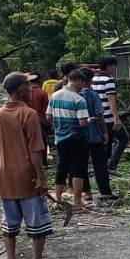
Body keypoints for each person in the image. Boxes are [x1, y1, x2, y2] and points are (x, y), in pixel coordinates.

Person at [0, 72, 54, 259]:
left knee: (9, 224)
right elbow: (36, 150)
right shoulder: (29, 114)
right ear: (20, 90)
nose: (31, 89)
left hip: (5, 176)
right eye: (28, 85)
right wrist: (41, 177)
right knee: (37, 223)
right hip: (28, 176)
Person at [47, 70, 90, 207]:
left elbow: (48, 117)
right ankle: (77, 201)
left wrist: (58, 125)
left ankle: (58, 200)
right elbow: (83, 122)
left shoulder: (54, 96)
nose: (82, 87)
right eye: (82, 83)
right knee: (78, 168)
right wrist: (90, 120)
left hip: (60, 137)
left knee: (62, 167)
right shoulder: (78, 99)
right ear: (78, 81)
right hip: (76, 138)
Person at [78, 67, 115, 202]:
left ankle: (86, 191)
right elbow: (100, 115)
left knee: (82, 164)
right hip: (95, 135)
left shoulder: (76, 95)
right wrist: (104, 132)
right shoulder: (93, 95)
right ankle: (104, 191)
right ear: (90, 80)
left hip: (80, 135)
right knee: (99, 163)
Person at [93, 57, 130, 173]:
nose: (115, 68)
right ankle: (111, 166)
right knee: (124, 138)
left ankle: (103, 167)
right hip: (108, 116)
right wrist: (116, 118)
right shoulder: (109, 80)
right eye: (114, 66)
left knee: (106, 141)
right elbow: (111, 99)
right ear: (109, 66)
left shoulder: (94, 78)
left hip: (98, 115)